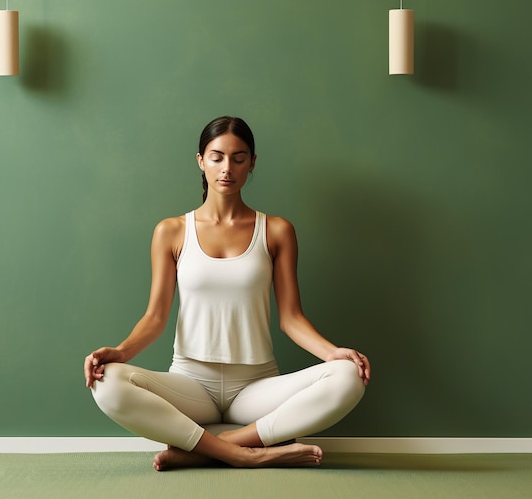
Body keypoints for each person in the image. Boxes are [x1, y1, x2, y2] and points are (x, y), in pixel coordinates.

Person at [84, 116, 370, 471]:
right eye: (217, 156)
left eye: (239, 157)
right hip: (190, 386)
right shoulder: (171, 231)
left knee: (348, 375)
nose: (227, 168)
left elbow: (291, 319)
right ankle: (249, 453)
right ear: (200, 160)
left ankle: (206, 449)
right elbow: (155, 318)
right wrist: (120, 352)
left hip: (255, 387)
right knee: (107, 381)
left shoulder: (277, 231)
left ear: (252, 163)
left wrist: (334, 353)